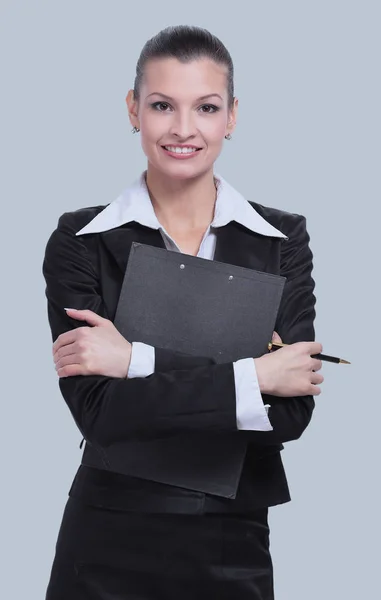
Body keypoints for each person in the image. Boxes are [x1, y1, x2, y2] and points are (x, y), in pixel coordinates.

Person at [43, 24, 323, 600]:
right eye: (163, 105)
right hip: (106, 538)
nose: (183, 129)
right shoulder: (81, 240)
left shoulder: (280, 240)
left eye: (207, 107)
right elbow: (98, 414)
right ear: (134, 109)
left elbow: (290, 416)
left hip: (233, 538)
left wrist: (134, 360)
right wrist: (253, 376)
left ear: (232, 117)